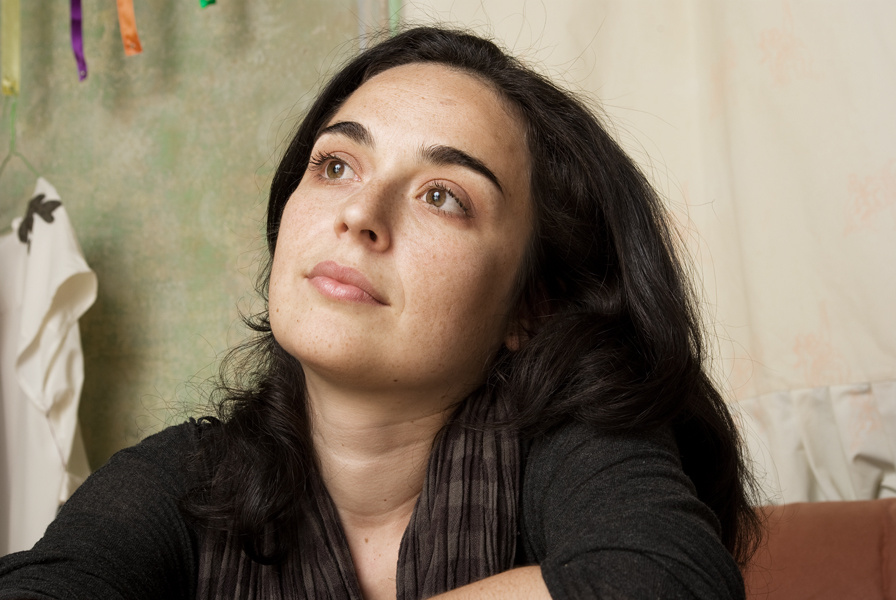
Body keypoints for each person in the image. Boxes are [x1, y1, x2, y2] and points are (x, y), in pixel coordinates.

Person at [0, 26, 761, 599]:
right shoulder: (178, 481)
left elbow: (669, 582)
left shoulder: (577, 448)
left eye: (443, 196)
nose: (361, 213)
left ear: (530, 306)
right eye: (336, 164)